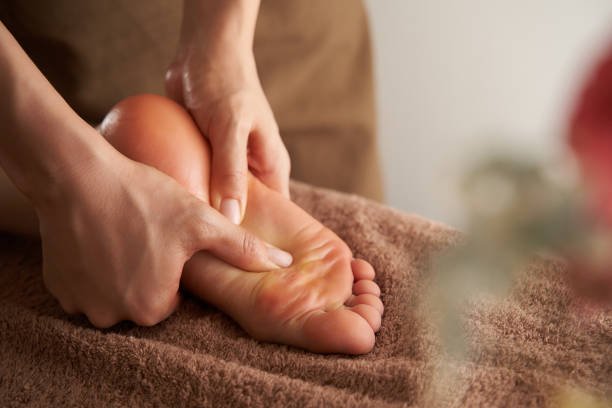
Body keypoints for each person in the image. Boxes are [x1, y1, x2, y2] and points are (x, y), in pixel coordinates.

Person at [0, 0, 383, 331]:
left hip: (284, 32)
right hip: (52, 62)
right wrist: (60, 166)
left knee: (171, 150)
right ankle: (202, 228)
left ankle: (191, 206)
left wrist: (223, 42)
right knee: (119, 187)